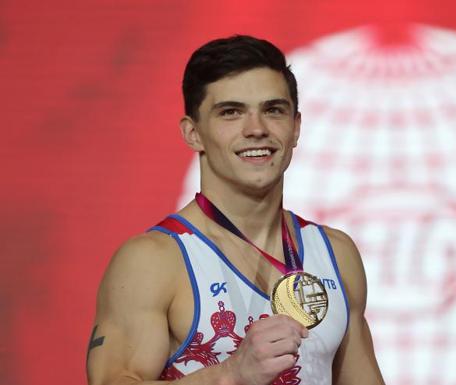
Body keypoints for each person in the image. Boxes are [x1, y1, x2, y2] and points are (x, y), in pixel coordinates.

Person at [87, 35, 385, 385]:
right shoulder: (154, 259)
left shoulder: (335, 253)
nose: (256, 129)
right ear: (193, 133)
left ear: (296, 127)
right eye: (231, 112)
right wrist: (230, 375)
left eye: (273, 110)